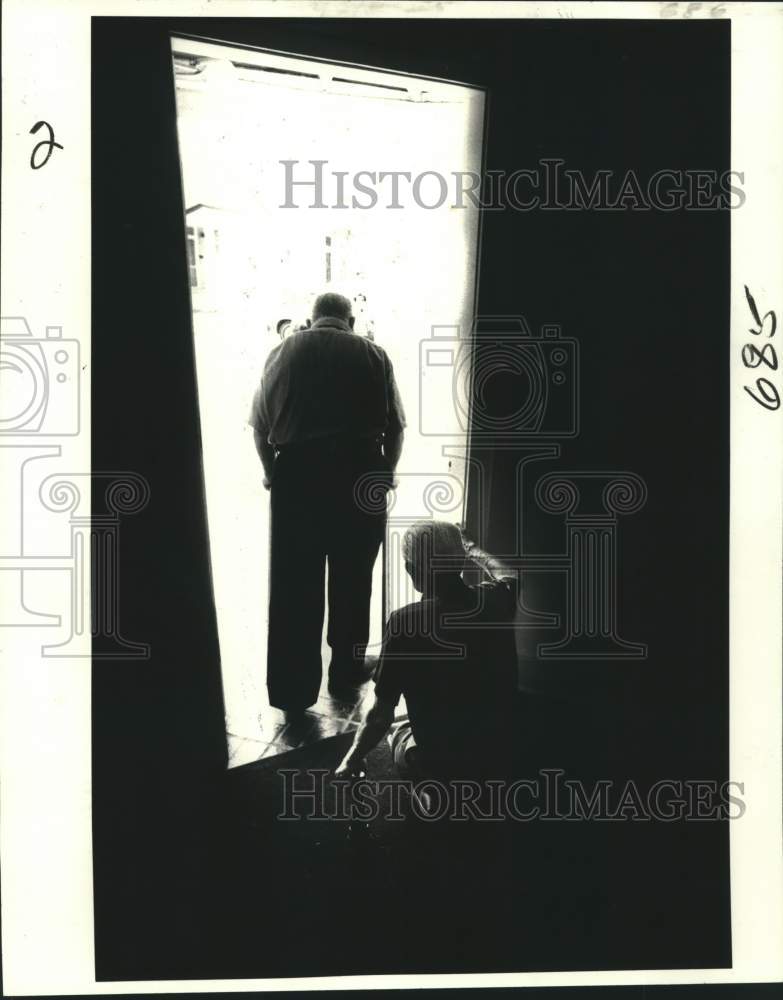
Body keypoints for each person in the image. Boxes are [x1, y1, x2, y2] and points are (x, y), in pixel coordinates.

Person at [249, 292, 406, 712]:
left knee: (294, 585)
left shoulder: (281, 353)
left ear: (311, 318)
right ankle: (345, 672)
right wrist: (385, 472)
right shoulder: (375, 355)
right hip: (359, 475)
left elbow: (260, 426)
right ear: (350, 320)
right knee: (354, 579)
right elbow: (396, 428)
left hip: (297, 477)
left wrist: (271, 472)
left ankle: (292, 691)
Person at [335, 520, 519, 781]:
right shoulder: (496, 599)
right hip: (500, 749)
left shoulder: (405, 622)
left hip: (445, 760)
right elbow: (510, 576)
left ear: (411, 569)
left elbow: (379, 716)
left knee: (398, 734)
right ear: (462, 561)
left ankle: (430, 786)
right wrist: (471, 547)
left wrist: (351, 759)